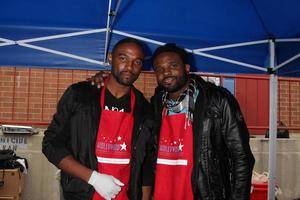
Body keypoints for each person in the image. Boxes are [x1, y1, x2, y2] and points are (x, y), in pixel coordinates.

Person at [90, 43, 255, 199]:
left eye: (173, 66)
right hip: (163, 193)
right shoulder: (156, 104)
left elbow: (241, 157)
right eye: (159, 69)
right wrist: (105, 78)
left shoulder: (217, 100)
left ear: (187, 68)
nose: (166, 73)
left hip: (203, 194)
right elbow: (147, 154)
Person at [42, 38, 154, 200]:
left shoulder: (144, 109)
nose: (129, 67)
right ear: (110, 58)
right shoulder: (80, 95)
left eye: (137, 62)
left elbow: (145, 165)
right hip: (81, 193)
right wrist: (93, 178)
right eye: (123, 58)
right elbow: (51, 144)